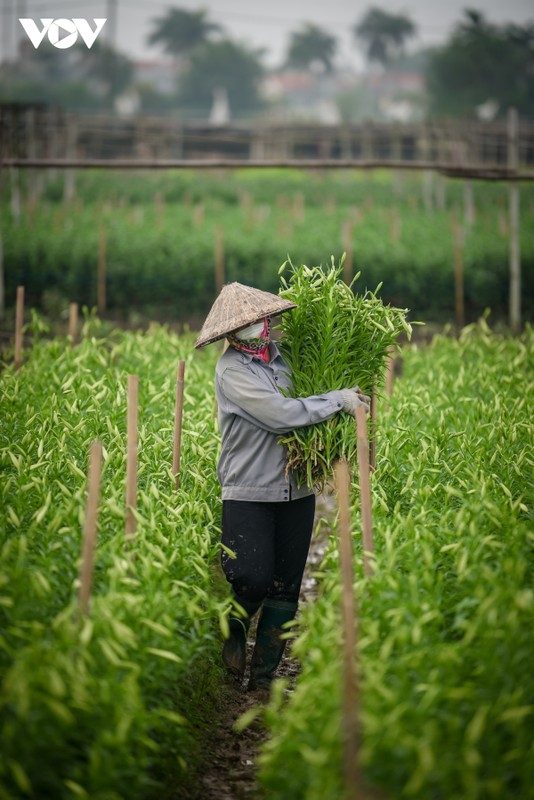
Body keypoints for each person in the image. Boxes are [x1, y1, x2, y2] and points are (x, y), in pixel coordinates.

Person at [195, 282, 369, 695]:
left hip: (297, 488)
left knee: (286, 585)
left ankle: (261, 681)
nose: (264, 325)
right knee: (251, 578)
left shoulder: (284, 358)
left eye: (264, 318)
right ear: (233, 333)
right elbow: (282, 414)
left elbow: (311, 384)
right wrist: (335, 400)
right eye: (254, 322)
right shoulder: (232, 371)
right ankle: (235, 628)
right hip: (249, 489)